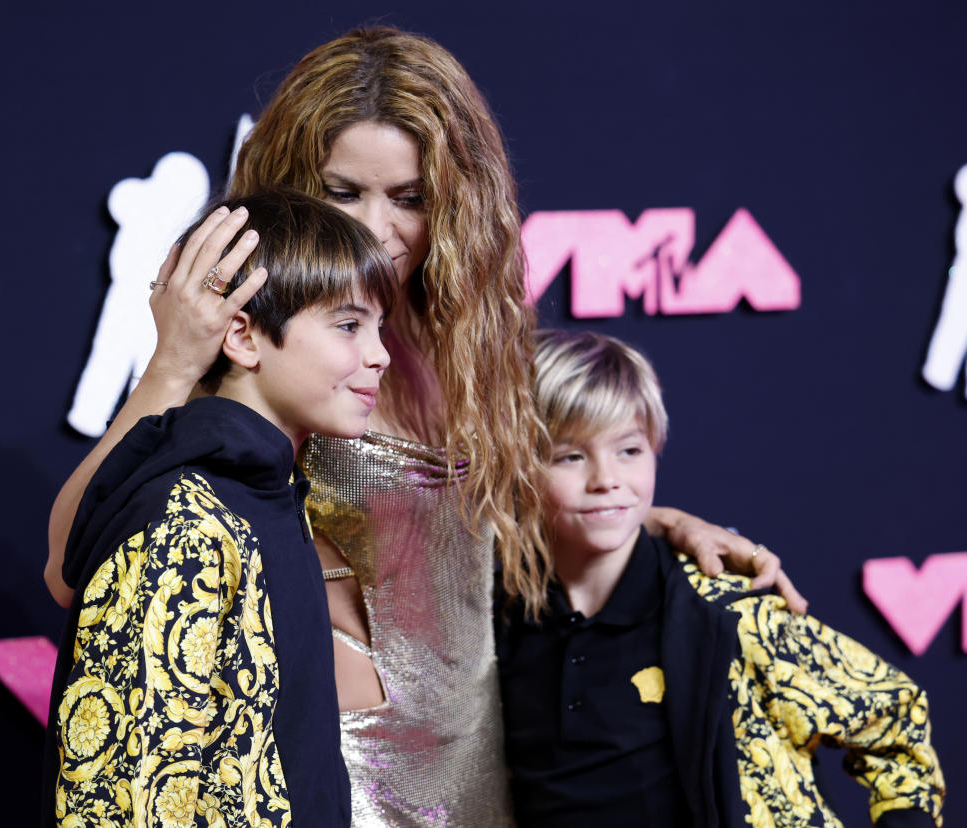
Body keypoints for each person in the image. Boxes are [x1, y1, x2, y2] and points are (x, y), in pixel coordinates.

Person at [45, 27, 806, 826]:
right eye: (345, 192)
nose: (380, 227)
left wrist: (652, 520)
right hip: (335, 782)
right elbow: (73, 564)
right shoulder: (259, 346)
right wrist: (172, 362)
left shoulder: (475, 335)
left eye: (409, 197)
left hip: (479, 765)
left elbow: (479, 524)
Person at [45, 189, 397, 827]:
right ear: (242, 334)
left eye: (379, 327)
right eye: (349, 325)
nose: (380, 354)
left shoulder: (272, 493)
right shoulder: (187, 523)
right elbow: (126, 800)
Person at [496, 329, 945, 828]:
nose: (606, 478)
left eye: (628, 451)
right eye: (569, 456)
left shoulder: (728, 613)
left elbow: (895, 716)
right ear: (520, 465)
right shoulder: (501, 616)